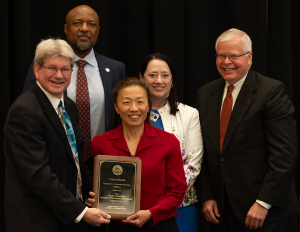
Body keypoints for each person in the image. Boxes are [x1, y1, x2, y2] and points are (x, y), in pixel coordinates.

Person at [196, 28, 298, 232]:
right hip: (221, 213)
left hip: (264, 214)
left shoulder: (271, 92)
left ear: (249, 57)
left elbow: (284, 155)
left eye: (233, 56)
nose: (226, 62)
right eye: (221, 56)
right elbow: (204, 153)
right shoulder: (206, 93)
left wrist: (264, 202)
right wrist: (207, 196)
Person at [4, 38, 111, 232]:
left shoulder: (68, 105)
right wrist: (82, 212)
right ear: (37, 70)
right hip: (38, 221)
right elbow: (38, 175)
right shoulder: (25, 110)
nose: (59, 75)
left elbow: (75, 161)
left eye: (65, 69)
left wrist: (96, 194)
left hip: (65, 217)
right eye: (51, 68)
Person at [22, 5, 127, 171]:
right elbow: (30, 109)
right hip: (58, 162)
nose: (84, 29)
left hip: (104, 162)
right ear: (66, 28)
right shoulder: (46, 67)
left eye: (91, 25)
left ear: (98, 30)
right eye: (77, 23)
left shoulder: (116, 69)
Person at [90, 77, 187, 231]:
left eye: (140, 101)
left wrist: (150, 213)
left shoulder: (168, 142)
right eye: (126, 102)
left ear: (148, 105)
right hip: (118, 227)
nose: (134, 108)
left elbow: (178, 190)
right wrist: (94, 200)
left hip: (159, 225)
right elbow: (96, 186)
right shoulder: (100, 143)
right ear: (116, 107)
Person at [139, 53, 204, 232]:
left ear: (172, 79)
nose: (159, 80)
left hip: (181, 205)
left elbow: (193, 164)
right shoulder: (131, 113)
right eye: (152, 75)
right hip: (139, 207)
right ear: (141, 78)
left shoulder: (189, 114)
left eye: (165, 75)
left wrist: (163, 201)